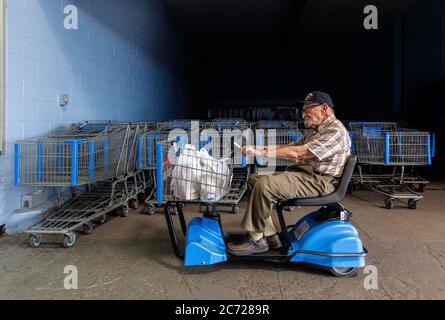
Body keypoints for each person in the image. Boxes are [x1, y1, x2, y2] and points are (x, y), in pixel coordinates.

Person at [227, 91, 351, 256]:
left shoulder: (335, 131)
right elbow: (289, 147)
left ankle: (256, 239)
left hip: (320, 181)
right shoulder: (316, 130)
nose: (303, 113)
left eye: (308, 109)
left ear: (324, 108)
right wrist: (257, 149)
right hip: (306, 176)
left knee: (265, 185)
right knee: (255, 179)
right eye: (303, 109)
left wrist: (261, 154)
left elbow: (298, 153)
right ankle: (271, 236)